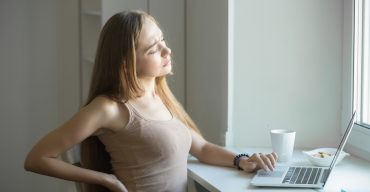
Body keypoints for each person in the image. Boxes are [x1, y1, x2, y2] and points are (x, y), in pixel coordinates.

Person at [24, 10, 277, 192]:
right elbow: (37, 158)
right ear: (126, 62)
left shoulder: (161, 95)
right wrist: (105, 180)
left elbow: (201, 147)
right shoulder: (109, 108)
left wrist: (242, 160)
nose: (167, 51)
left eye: (162, 41)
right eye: (153, 49)